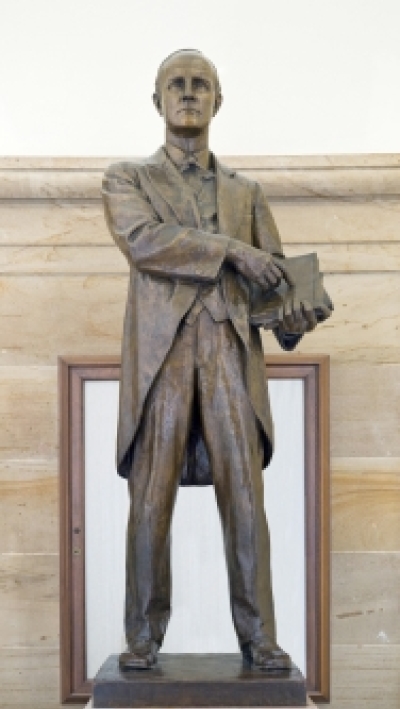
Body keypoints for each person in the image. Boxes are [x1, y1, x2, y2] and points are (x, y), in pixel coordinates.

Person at [102, 49, 324, 670]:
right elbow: (145, 242)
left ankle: (259, 638)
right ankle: (142, 637)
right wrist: (232, 251)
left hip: (229, 354)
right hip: (163, 360)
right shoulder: (127, 179)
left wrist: (294, 321)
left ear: (218, 101)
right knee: (150, 501)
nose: (189, 93)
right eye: (177, 84)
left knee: (247, 501)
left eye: (202, 85)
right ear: (158, 101)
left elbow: (276, 289)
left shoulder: (246, 193)